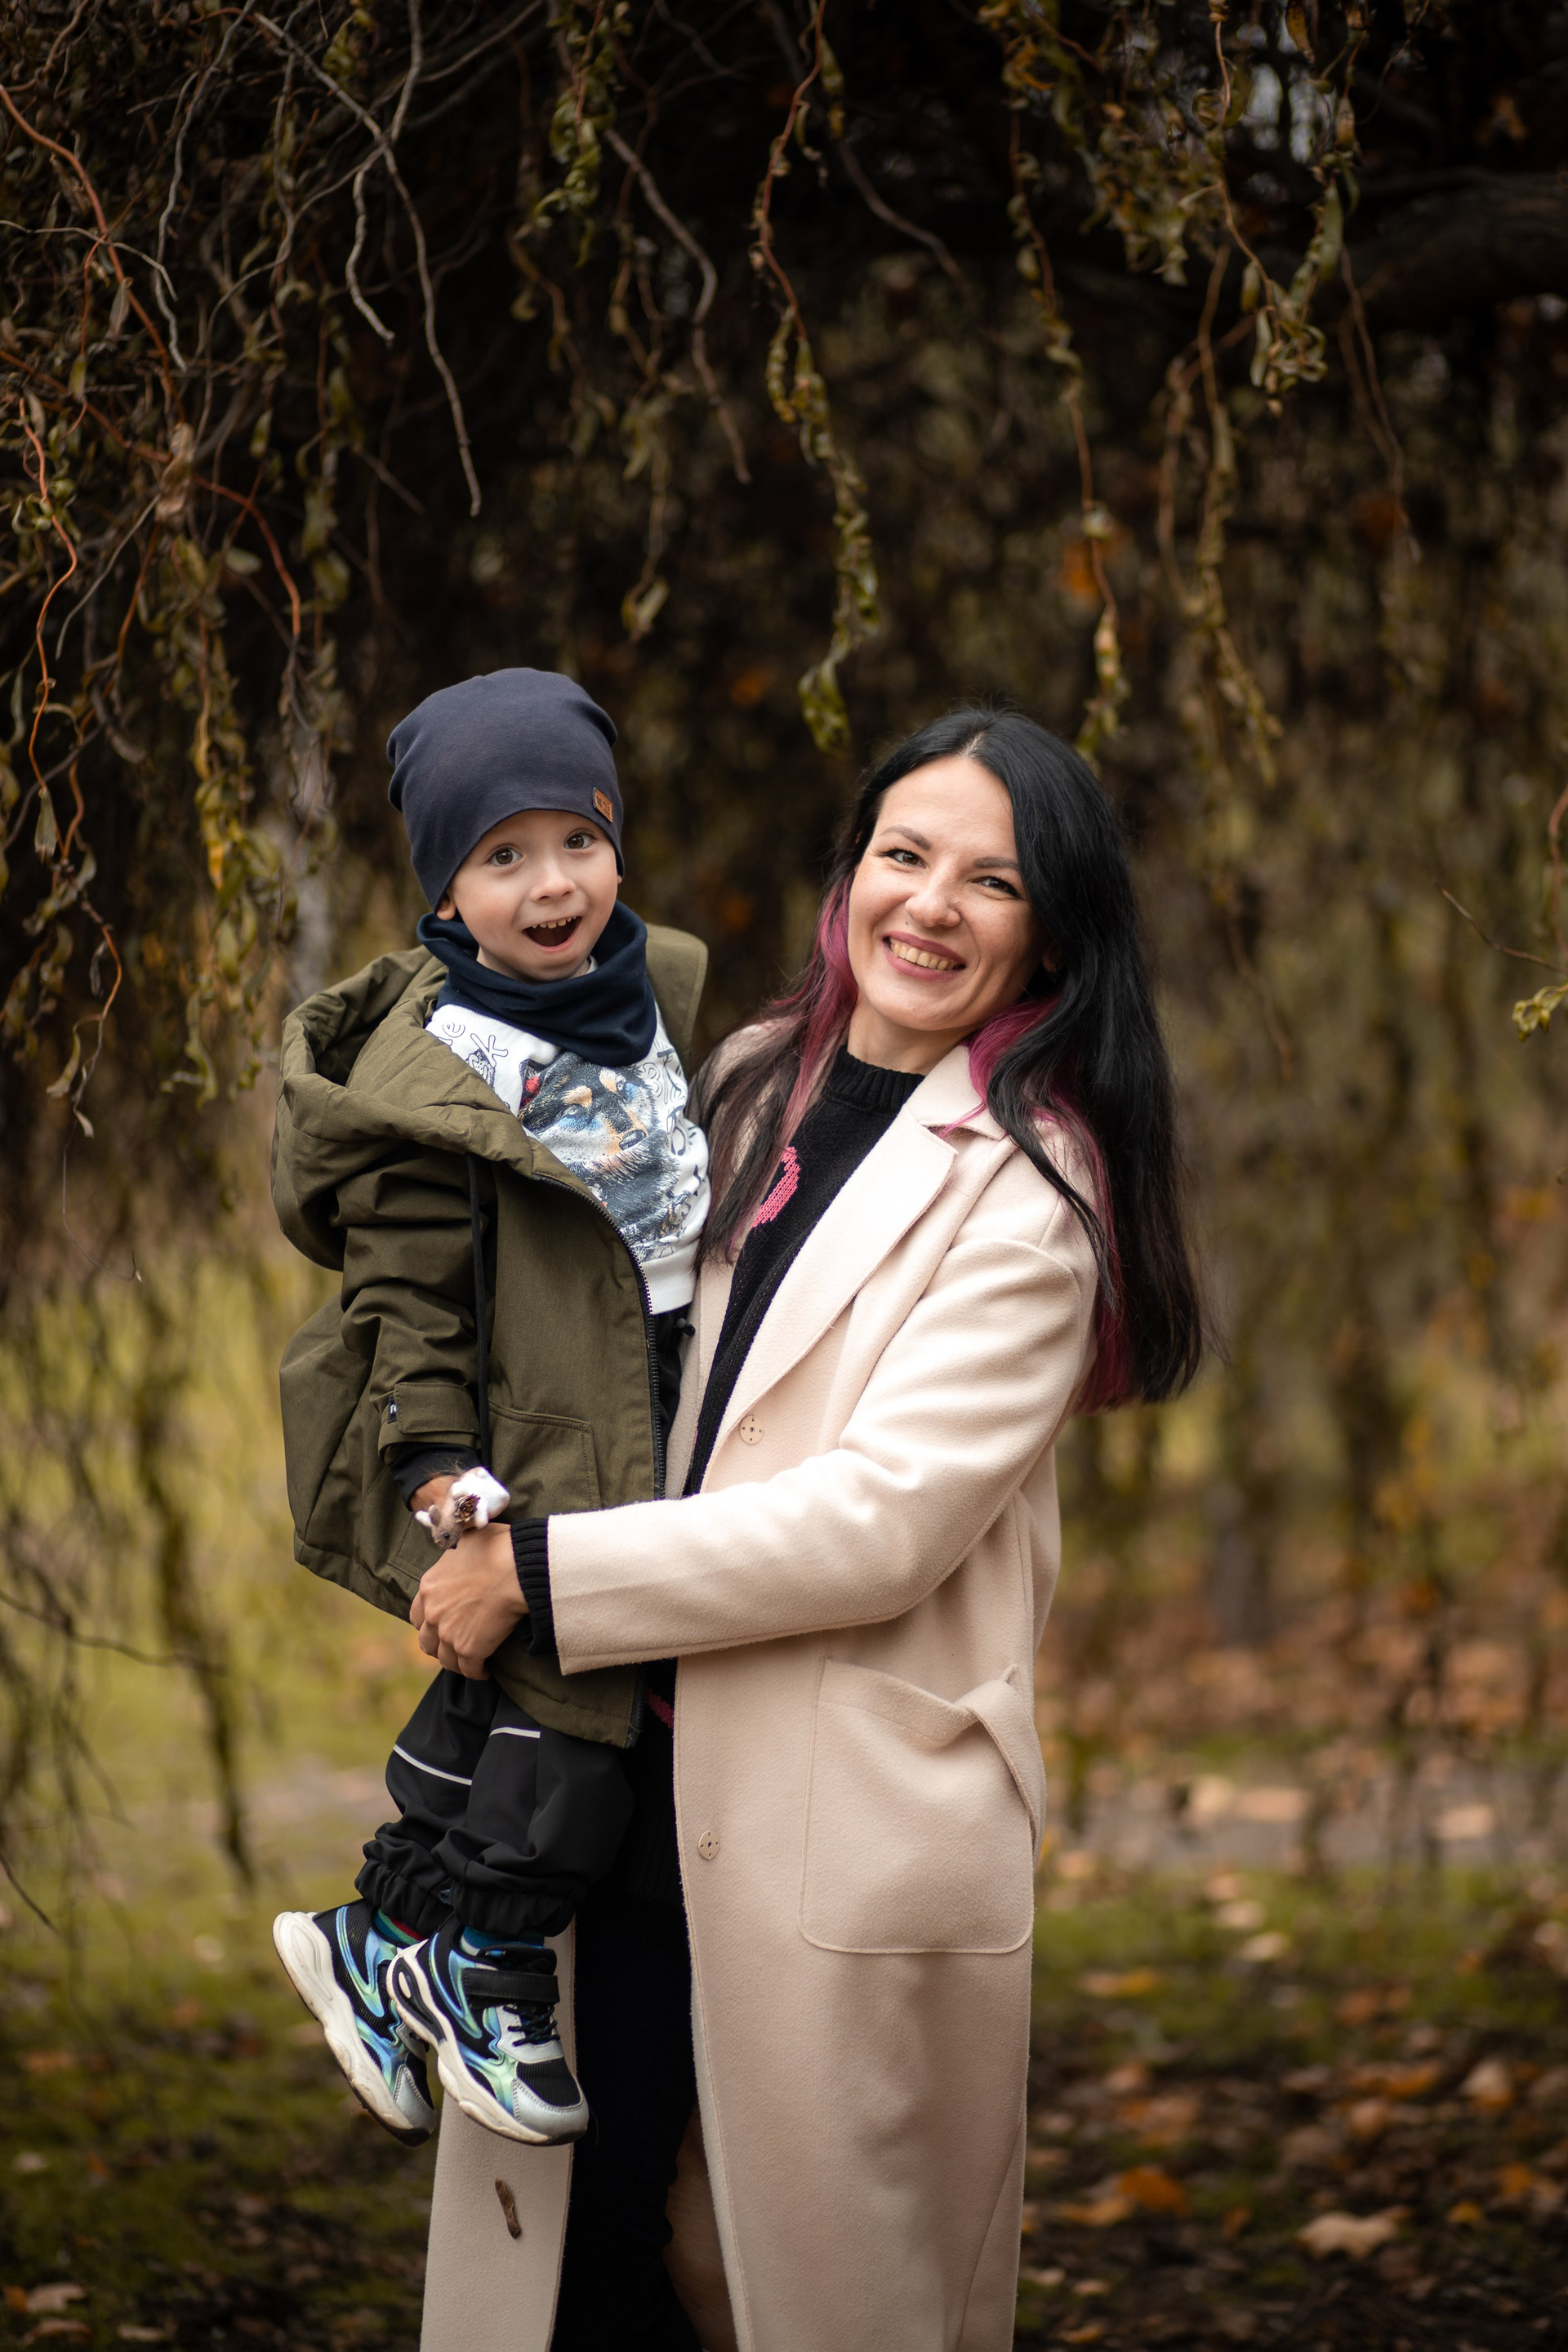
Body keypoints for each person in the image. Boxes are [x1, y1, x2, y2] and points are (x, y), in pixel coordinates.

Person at [408, 708, 1203, 2352]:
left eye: (993, 880)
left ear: (1053, 933)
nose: (932, 905)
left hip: (829, 1806)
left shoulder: (1033, 1191)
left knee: (775, 2282)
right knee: (588, 2254)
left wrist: (541, 1575)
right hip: (629, 1776)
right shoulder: (754, 1078)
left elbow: (878, 1526)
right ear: (851, 876)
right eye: (904, 855)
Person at [267, 666, 710, 2154]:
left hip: (655, 1398)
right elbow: (409, 1301)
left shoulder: (656, 1002)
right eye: (502, 856)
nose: (552, 884)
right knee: (575, 1709)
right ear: (446, 894)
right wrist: (438, 1466)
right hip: (532, 1436)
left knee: (539, 1694)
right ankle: (486, 1967)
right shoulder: (441, 1075)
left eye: (577, 840)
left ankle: (383, 1936)